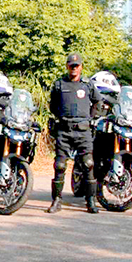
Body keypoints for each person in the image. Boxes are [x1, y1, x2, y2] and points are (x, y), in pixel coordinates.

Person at [47, 53, 103, 214]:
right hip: (64, 129)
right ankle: (56, 200)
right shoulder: (59, 84)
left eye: (76, 65)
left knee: (88, 164)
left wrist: (91, 118)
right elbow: (53, 105)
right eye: (71, 65)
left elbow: (98, 101)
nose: (74, 68)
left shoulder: (88, 85)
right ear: (67, 66)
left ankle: (91, 201)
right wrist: (62, 118)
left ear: (81, 67)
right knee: (60, 165)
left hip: (83, 130)